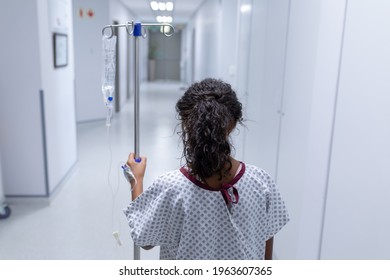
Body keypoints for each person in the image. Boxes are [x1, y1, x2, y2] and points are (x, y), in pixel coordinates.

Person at [123, 78, 289, 260]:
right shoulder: (260, 181)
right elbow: (266, 253)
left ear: (187, 125)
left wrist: (136, 180)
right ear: (233, 125)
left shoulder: (171, 188)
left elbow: (145, 240)